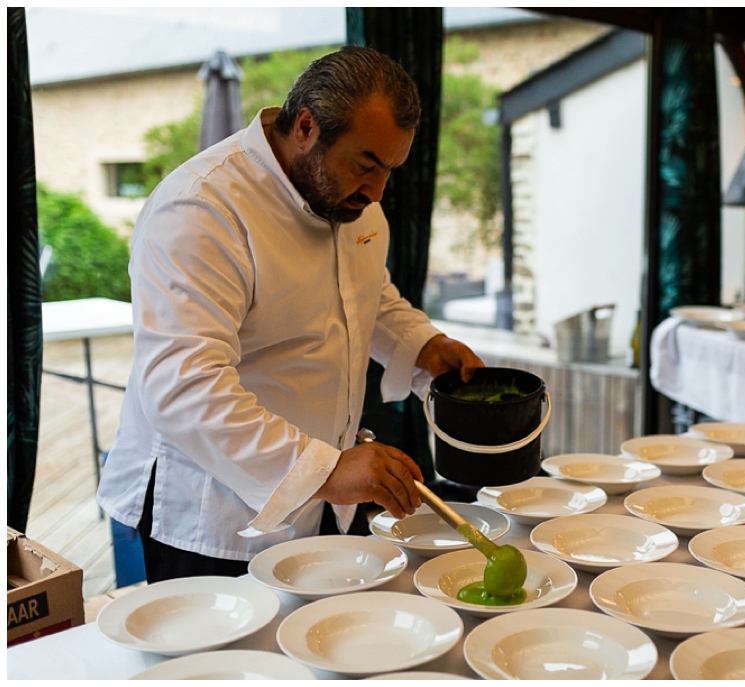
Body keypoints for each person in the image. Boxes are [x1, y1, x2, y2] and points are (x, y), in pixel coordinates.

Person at [97, 47, 483, 582]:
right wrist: (326, 469)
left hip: (327, 499)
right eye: (366, 165)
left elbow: (368, 294)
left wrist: (421, 343)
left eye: (390, 169)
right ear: (306, 126)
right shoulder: (202, 209)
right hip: (213, 515)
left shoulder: (350, 199)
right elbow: (183, 387)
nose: (377, 192)